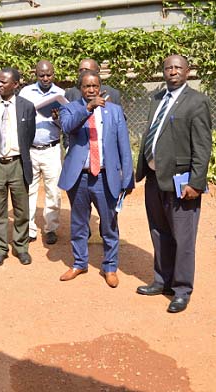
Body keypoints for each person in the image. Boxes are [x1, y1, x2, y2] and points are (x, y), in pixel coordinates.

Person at [134, 55, 212, 313]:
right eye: (168, 67)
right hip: (155, 178)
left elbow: (202, 146)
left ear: (187, 72)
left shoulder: (197, 102)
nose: (173, 71)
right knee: (159, 232)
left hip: (182, 182)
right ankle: (162, 280)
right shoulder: (156, 99)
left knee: (183, 238)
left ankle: (181, 289)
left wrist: (196, 182)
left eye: (178, 67)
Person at [57, 70, 134, 288]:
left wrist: (127, 179)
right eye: (87, 86)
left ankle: (110, 267)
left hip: (104, 176)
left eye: (95, 86)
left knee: (109, 224)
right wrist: (87, 108)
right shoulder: (70, 108)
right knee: (79, 224)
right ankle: (80, 263)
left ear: (101, 87)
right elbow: (67, 127)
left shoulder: (114, 111)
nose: (92, 90)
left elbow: (124, 147)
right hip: (79, 178)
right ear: (80, 89)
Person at [0, 68, 36, 267]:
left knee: (21, 209)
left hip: (18, 164)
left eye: (4, 82)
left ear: (16, 84)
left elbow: (29, 135)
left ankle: (21, 248)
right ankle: (1, 248)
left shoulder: (27, 107)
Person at [18, 60, 65, 245]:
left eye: (49, 75)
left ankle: (51, 228)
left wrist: (57, 118)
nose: (45, 78)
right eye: (41, 75)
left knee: (53, 191)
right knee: (29, 189)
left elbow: (66, 126)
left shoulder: (61, 94)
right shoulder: (26, 93)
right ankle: (29, 229)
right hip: (30, 149)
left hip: (52, 149)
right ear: (35, 75)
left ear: (54, 74)